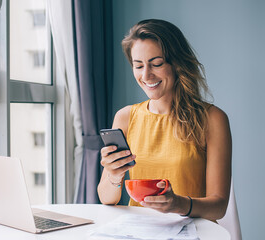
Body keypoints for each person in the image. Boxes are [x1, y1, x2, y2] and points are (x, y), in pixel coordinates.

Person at [97, 19, 232, 221]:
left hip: (192, 232)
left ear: (177, 63)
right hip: (138, 232)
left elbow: (219, 206)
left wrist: (179, 204)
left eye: (157, 64)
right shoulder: (125, 117)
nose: (146, 75)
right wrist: (113, 175)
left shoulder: (212, 119)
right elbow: (107, 199)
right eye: (138, 65)